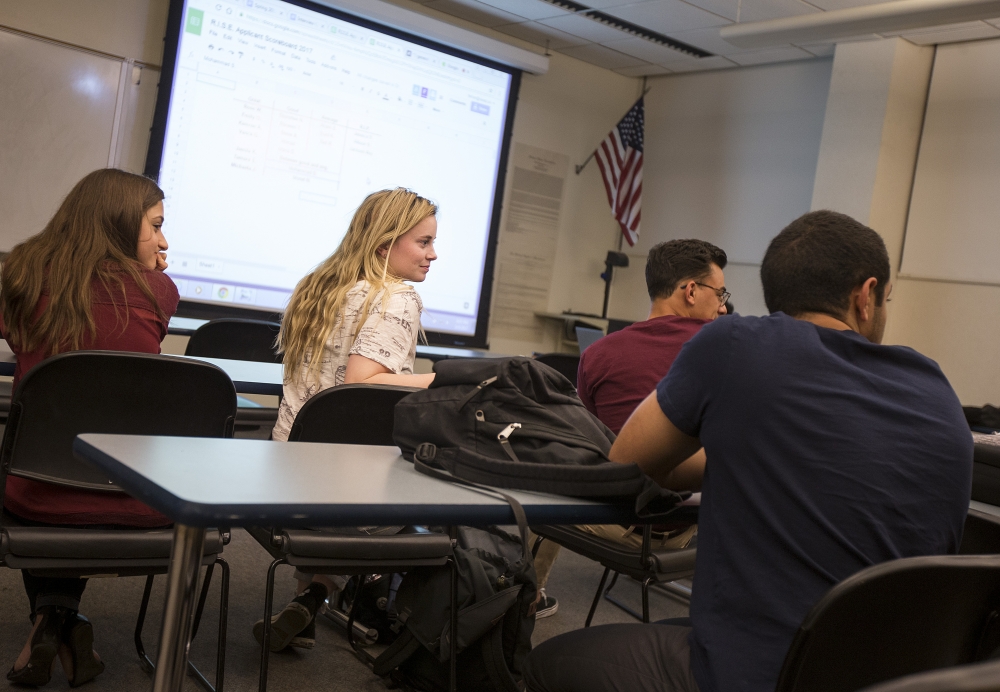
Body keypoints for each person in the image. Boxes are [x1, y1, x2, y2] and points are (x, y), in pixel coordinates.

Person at [522, 210, 973, 692]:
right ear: (866, 296)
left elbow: (626, 463)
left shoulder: (736, 345)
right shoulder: (935, 386)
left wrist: (732, 452)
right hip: (898, 675)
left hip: (759, 673)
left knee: (543, 662)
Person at [0, 168, 178, 687]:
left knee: (39, 459)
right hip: (140, 495)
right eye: (156, 226)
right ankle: (61, 619)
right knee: (78, 457)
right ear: (120, 224)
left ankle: (52, 617)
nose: (165, 241)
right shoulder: (159, 291)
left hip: (36, 495)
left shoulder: (20, 279)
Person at [257, 188, 438, 652]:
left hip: (281, 487)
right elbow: (363, 381)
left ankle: (309, 601)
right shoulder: (397, 296)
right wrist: (446, 380)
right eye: (423, 242)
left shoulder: (317, 287)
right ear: (384, 245)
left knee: (346, 463)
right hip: (350, 505)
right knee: (437, 488)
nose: (433, 254)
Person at [532, 239, 730, 618]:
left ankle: (527, 599)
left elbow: (587, 442)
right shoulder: (730, 353)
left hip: (619, 522)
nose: (722, 306)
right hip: (694, 526)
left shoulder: (598, 353)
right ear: (691, 291)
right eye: (719, 294)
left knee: (539, 482)